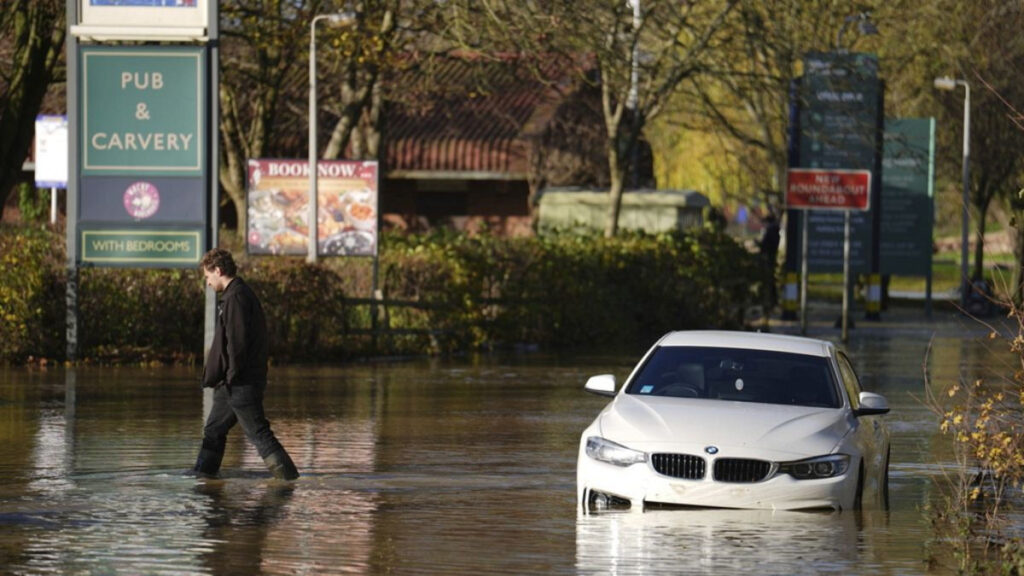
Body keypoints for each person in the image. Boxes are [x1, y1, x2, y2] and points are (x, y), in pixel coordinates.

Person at [193, 248, 299, 480]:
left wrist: (231, 376)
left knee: (259, 433)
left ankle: (288, 480)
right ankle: (202, 478)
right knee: (213, 430)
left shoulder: (236, 297)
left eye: (208, 277)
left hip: (240, 382)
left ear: (218, 271)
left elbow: (237, 343)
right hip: (232, 382)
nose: (208, 283)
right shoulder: (236, 295)